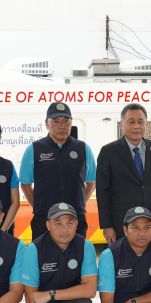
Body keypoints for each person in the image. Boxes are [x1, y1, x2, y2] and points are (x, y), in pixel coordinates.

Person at [19, 102, 97, 240]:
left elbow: (91, 182)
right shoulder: (34, 149)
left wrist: (79, 203)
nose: (62, 126)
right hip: (44, 219)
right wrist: (39, 207)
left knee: (76, 254)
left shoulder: (83, 149)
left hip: (75, 218)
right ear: (46, 124)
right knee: (43, 254)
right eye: (56, 121)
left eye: (66, 121)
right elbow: (25, 184)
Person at [96, 103, 151, 243]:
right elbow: (102, 191)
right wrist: (107, 226)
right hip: (121, 222)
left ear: (146, 124)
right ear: (121, 125)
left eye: (140, 122)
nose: (136, 126)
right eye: (131, 122)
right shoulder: (108, 151)